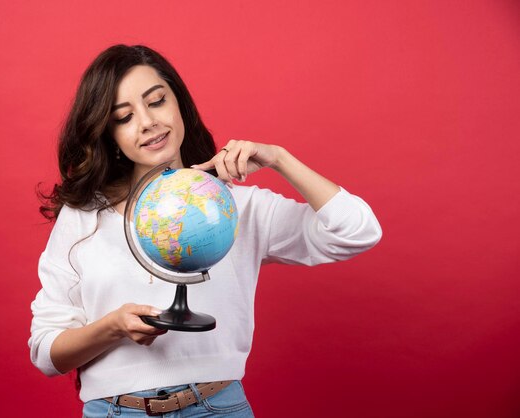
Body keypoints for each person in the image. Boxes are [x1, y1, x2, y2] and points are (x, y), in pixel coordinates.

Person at [29, 44, 382, 417]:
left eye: (157, 101)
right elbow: (46, 352)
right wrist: (113, 326)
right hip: (116, 411)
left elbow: (357, 232)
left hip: (217, 407)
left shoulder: (234, 206)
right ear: (109, 134)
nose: (147, 122)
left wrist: (279, 159)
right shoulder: (84, 215)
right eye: (124, 117)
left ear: (179, 103)